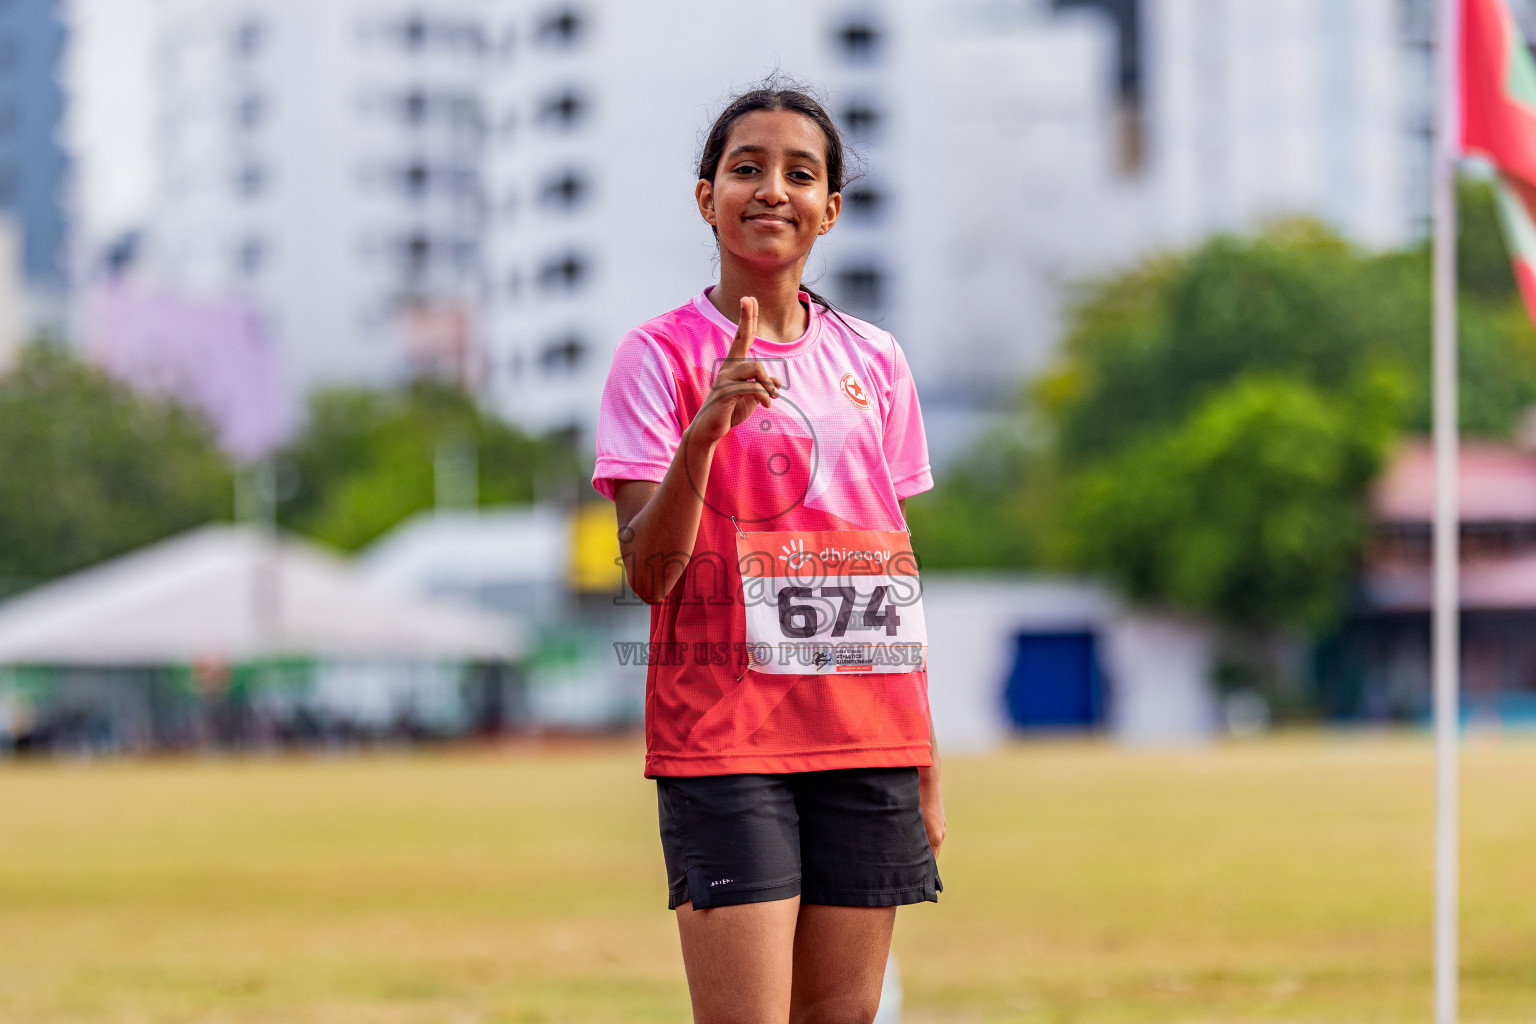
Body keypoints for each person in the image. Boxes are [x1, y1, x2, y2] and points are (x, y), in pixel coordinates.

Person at [592, 82, 943, 1024]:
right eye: (746, 168)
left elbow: (889, 569)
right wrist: (702, 435)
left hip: (869, 740)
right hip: (725, 747)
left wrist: (923, 758)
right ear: (705, 196)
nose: (771, 190)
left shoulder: (877, 360)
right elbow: (648, 575)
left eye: (801, 172)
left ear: (832, 208)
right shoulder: (657, 358)